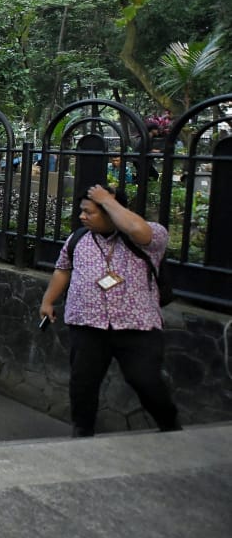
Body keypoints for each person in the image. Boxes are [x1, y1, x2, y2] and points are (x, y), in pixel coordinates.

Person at [39, 184, 181, 438]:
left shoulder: (150, 236)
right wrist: (48, 301)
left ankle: (170, 426)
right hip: (87, 324)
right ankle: (82, 433)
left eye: (90, 212)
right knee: (83, 384)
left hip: (136, 325)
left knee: (145, 380)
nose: (82, 217)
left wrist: (108, 200)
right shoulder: (79, 239)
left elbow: (138, 230)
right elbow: (63, 269)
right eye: (82, 211)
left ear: (111, 211)